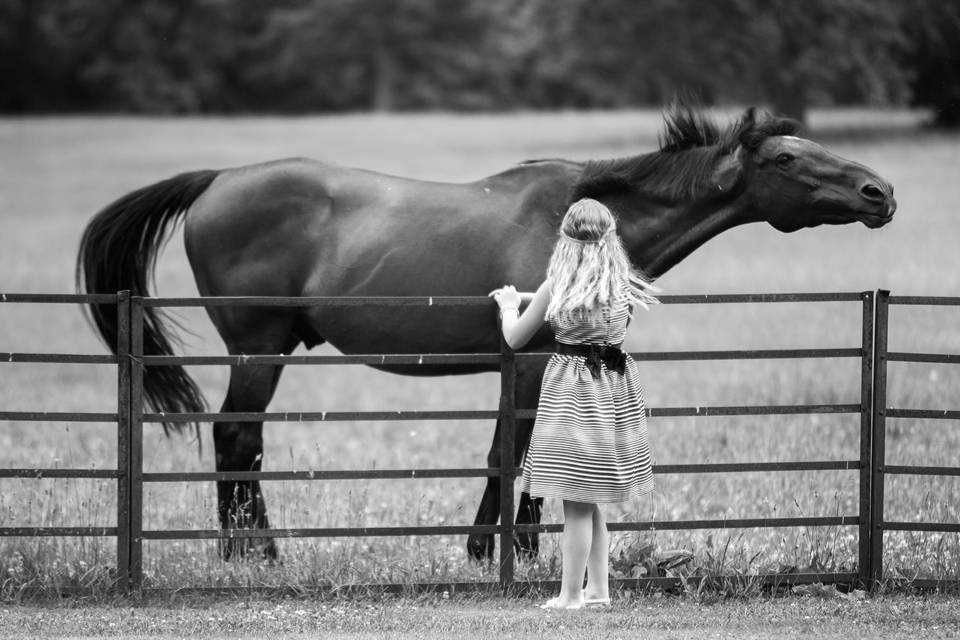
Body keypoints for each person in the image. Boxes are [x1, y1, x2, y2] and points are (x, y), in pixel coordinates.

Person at [490, 197, 658, 610]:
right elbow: (598, 310)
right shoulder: (623, 288)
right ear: (610, 241)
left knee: (575, 502)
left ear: (566, 242)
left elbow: (515, 338)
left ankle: (570, 596)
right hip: (613, 394)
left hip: (574, 398)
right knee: (591, 496)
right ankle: (598, 589)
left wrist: (511, 306)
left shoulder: (558, 286)